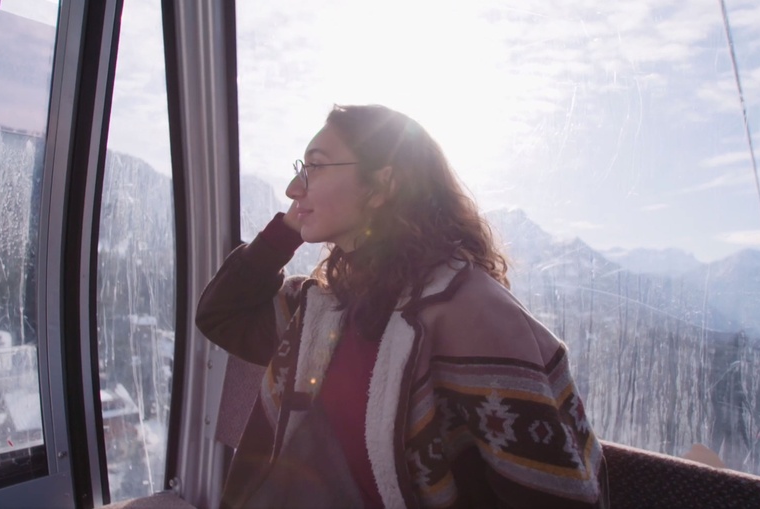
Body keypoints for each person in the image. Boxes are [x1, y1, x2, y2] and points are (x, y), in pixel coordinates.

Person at [196, 104, 609, 508]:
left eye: (315, 167)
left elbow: (557, 493)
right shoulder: (323, 308)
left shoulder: (470, 315)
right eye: (298, 171)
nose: (292, 189)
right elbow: (220, 315)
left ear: (382, 186)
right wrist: (288, 229)